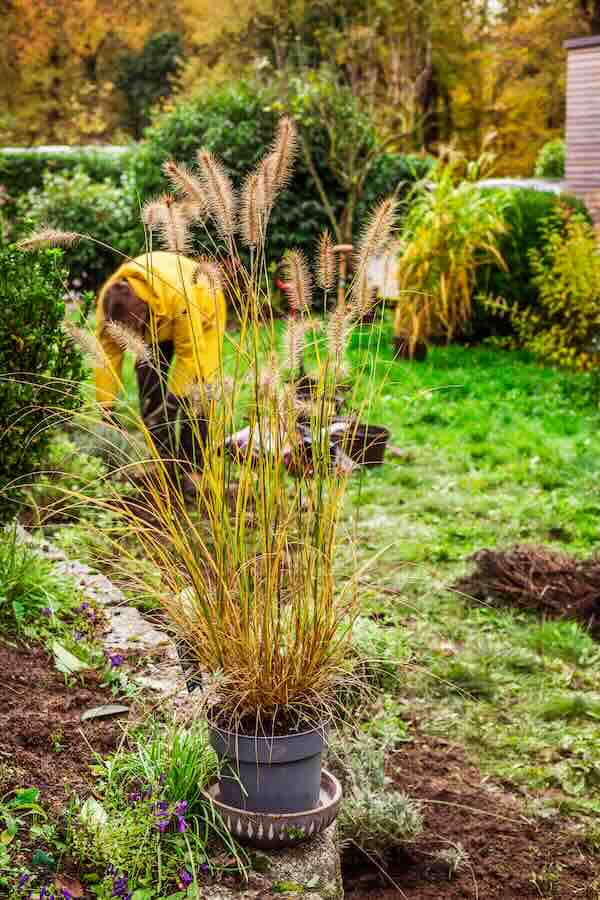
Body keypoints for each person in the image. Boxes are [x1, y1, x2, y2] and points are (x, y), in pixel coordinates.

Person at [95, 251, 226, 484]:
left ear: (146, 313)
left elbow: (190, 355)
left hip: (204, 307)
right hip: (155, 327)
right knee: (148, 384)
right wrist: (106, 407)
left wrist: (174, 401)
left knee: (199, 391)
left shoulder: (178, 295)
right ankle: (162, 462)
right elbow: (106, 355)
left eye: (133, 333)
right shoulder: (109, 298)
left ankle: (193, 468)